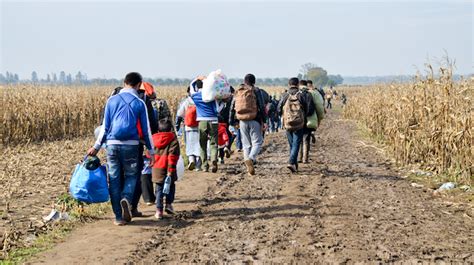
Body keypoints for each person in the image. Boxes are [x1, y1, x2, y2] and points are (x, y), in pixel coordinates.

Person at [88, 72, 155, 226]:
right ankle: (126, 197)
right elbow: (146, 130)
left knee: (114, 179)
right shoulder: (140, 103)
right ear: (139, 85)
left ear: (124, 82)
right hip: (131, 145)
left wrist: (96, 146)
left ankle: (118, 217)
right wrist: (151, 152)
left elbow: (105, 127)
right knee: (132, 175)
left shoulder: (111, 100)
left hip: (112, 145)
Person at [229, 74, 268, 175]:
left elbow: (232, 107)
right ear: (254, 81)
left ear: (244, 81)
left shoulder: (238, 91)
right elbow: (261, 105)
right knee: (257, 142)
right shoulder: (256, 90)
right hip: (254, 119)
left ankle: (248, 164)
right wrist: (265, 121)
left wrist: (232, 122)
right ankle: (251, 158)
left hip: (242, 120)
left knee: (246, 144)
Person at [278, 77, 314, 173]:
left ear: (289, 85)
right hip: (299, 123)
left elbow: (278, 108)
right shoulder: (302, 95)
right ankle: (291, 162)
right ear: (298, 85)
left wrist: (283, 115)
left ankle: (294, 164)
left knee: (292, 144)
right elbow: (309, 109)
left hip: (288, 123)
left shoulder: (284, 95)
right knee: (296, 144)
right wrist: (304, 116)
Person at [151, 119, 180, 219]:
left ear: (158, 130)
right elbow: (173, 157)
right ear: (170, 129)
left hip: (156, 169)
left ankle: (159, 211)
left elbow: (148, 153)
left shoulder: (153, 139)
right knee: (170, 187)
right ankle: (168, 204)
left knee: (158, 190)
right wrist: (171, 170)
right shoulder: (173, 140)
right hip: (168, 169)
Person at [190, 78, 219, 173]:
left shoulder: (196, 96)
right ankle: (214, 158)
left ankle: (205, 165)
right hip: (213, 121)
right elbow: (217, 110)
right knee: (213, 142)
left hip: (202, 121)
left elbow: (191, 86)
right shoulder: (211, 95)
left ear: (197, 87)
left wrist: (197, 78)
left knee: (202, 144)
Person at [176, 86, 202, 171]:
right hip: (198, 126)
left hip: (188, 127)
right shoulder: (200, 101)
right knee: (198, 145)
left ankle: (191, 160)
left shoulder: (186, 101)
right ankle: (198, 165)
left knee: (190, 145)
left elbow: (179, 114)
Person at [297, 80, 317, 164]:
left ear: (299, 85)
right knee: (306, 139)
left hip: (297, 120)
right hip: (307, 120)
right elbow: (311, 108)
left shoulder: (297, 95)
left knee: (299, 139)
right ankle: (305, 159)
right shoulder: (309, 94)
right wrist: (307, 115)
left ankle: (299, 158)